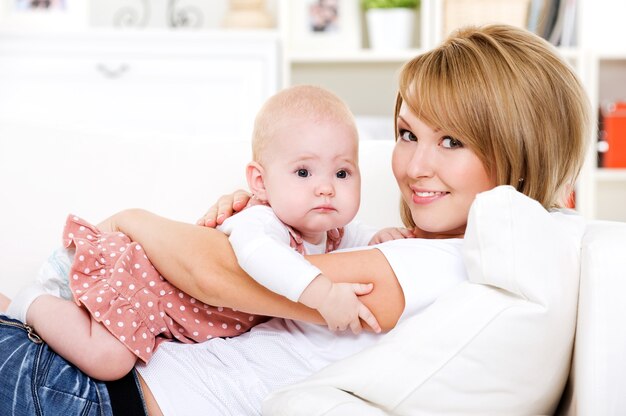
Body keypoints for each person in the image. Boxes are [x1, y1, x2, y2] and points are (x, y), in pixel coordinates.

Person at [0, 24, 590, 415]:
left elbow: (224, 274)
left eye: (452, 141)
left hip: (88, 394)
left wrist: (134, 219)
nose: (414, 165)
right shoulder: (434, 251)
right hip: (76, 380)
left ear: (521, 148)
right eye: (409, 133)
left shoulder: (441, 266)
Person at [1, 85, 403, 381]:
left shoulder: (330, 230)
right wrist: (324, 295)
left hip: (162, 311)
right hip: (134, 280)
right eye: (303, 172)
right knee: (109, 361)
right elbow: (260, 257)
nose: (325, 187)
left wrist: (381, 239)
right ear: (260, 182)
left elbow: (355, 240)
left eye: (343, 172)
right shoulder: (258, 221)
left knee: (115, 356)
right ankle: (26, 300)